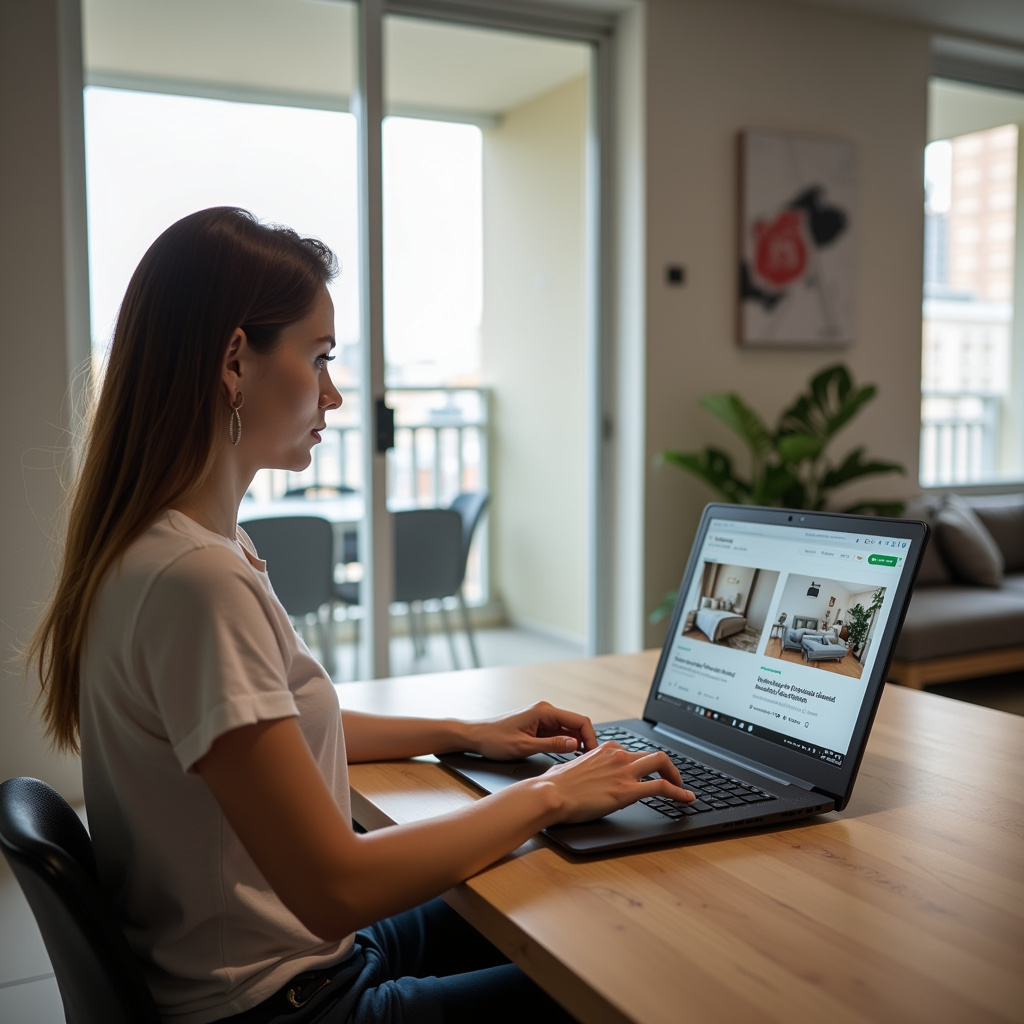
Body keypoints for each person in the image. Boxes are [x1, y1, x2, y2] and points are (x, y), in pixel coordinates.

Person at [26, 207, 694, 1024]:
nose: (335, 394)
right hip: (290, 1003)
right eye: (318, 358)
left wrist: (466, 734)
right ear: (235, 361)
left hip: (284, 965)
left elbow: (276, 726)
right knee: (636, 976)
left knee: (556, 889)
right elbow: (335, 887)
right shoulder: (195, 583)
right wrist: (550, 795)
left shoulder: (169, 546)